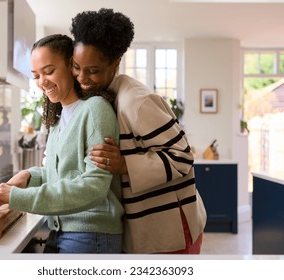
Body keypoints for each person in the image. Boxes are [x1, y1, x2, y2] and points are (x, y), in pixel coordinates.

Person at [70, 8, 207, 254]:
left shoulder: (137, 101)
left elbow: (183, 157)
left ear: (115, 63)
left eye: (93, 70)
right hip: (143, 229)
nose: (82, 78)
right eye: (76, 67)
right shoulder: (102, 97)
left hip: (171, 230)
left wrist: (124, 164)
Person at [0, 34, 124, 254]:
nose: (42, 82)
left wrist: (17, 197)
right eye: (36, 75)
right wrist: (30, 176)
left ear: (72, 66)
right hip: (62, 232)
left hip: (91, 235)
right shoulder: (58, 121)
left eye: (49, 71)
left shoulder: (95, 109)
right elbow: (65, 173)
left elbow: (94, 187)